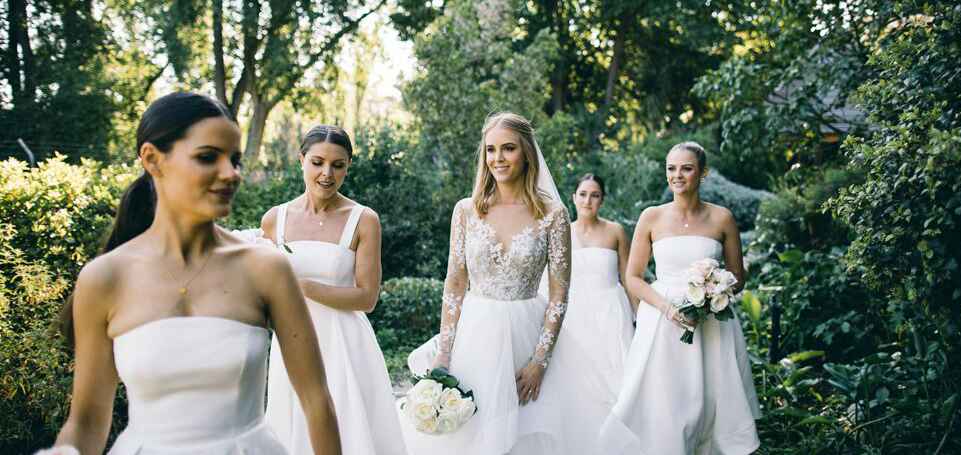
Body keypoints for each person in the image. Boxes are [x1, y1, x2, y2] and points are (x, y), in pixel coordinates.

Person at [45, 92, 340, 454]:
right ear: (153, 160)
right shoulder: (104, 279)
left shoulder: (266, 269)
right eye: (207, 157)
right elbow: (86, 421)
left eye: (235, 160)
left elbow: (317, 401)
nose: (231, 174)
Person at [401, 112, 571, 454]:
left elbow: (559, 293)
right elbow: (454, 284)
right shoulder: (466, 211)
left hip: (528, 334)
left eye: (508, 149)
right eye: (491, 150)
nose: (498, 158)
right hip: (475, 335)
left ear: (526, 153)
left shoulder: (553, 214)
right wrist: (444, 353)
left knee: (527, 431)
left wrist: (540, 360)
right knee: (472, 432)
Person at [599, 142, 760, 454]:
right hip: (662, 322)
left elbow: (738, 277)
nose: (678, 175)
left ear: (702, 173)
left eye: (686, 168)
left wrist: (715, 290)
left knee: (713, 395)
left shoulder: (722, 218)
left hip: (711, 321)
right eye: (671, 168)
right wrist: (667, 308)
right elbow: (633, 277)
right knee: (664, 397)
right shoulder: (652, 217)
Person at [261, 125, 407, 455]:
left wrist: (303, 287)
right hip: (291, 342)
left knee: (348, 429)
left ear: (348, 167)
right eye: (318, 162)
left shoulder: (364, 220)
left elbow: (367, 297)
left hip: (343, 342)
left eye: (338, 165)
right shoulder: (274, 220)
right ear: (301, 160)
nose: (327, 174)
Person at [552, 173, 635, 455]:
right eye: (583, 194)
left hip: (611, 313)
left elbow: (629, 277)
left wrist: (640, 320)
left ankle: (616, 444)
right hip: (574, 317)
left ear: (602, 199)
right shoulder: (561, 231)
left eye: (595, 195)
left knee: (617, 380)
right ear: (573, 197)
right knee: (577, 383)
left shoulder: (615, 231)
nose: (588, 200)